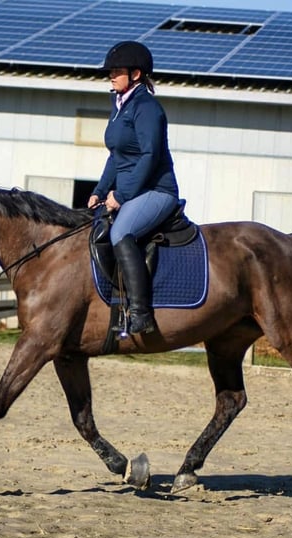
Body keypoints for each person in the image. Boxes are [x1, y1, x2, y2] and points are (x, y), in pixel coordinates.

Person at [88, 40, 180, 334]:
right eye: (110, 72)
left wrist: (121, 195)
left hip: (157, 190)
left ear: (136, 74)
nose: (111, 76)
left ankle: (141, 314)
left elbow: (149, 156)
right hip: (132, 189)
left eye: (117, 71)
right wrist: (100, 191)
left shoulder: (147, 108)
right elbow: (116, 156)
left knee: (120, 232)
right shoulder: (119, 107)